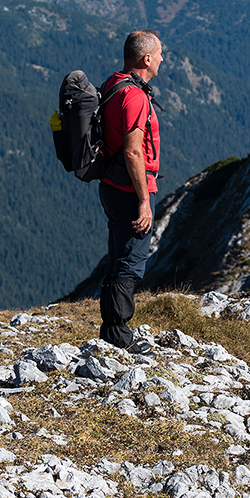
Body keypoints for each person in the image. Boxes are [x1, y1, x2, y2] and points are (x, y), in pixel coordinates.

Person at [97, 29, 163, 348]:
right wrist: (144, 201)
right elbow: (134, 150)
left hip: (110, 184)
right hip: (129, 190)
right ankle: (118, 334)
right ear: (146, 58)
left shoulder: (114, 83)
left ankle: (112, 328)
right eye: (159, 54)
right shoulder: (135, 96)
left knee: (118, 255)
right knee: (129, 261)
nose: (162, 59)